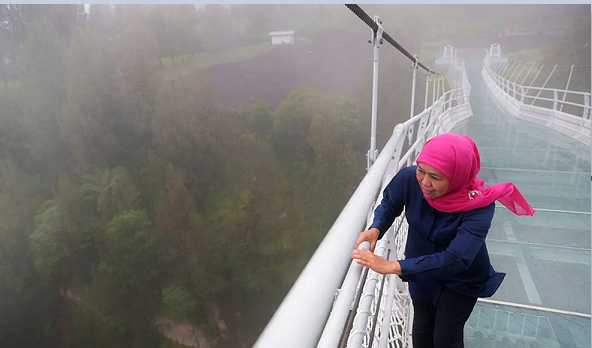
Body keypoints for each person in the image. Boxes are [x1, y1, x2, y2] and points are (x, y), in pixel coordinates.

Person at [351, 133, 535, 348]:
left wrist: (393, 266)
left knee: (446, 337)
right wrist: (377, 227)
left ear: (458, 175)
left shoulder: (480, 206)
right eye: (421, 170)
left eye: (436, 177)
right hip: (420, 268)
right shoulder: (410, 179)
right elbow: (392, 202)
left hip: (461, 276)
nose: (425, 182)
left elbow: (457, 258)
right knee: (421, 329)